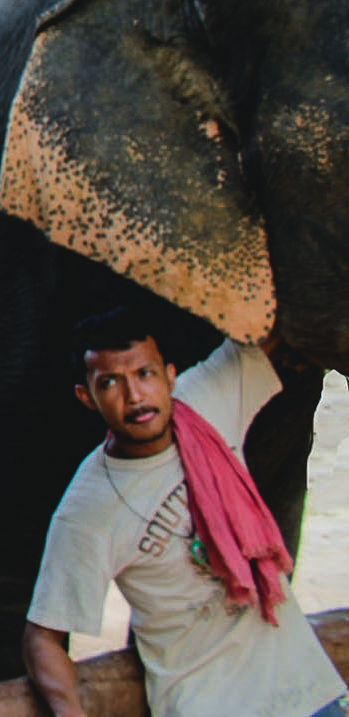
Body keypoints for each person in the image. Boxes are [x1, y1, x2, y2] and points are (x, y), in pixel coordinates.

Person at [22, 306, 348, 717]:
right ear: (86, 397)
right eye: (110, 383)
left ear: (169, 376)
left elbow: (278, 321)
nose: (135, 396)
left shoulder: (204, 401)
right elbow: (44, 636)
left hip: (306, 693)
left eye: (144, 374)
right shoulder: (87, 511)